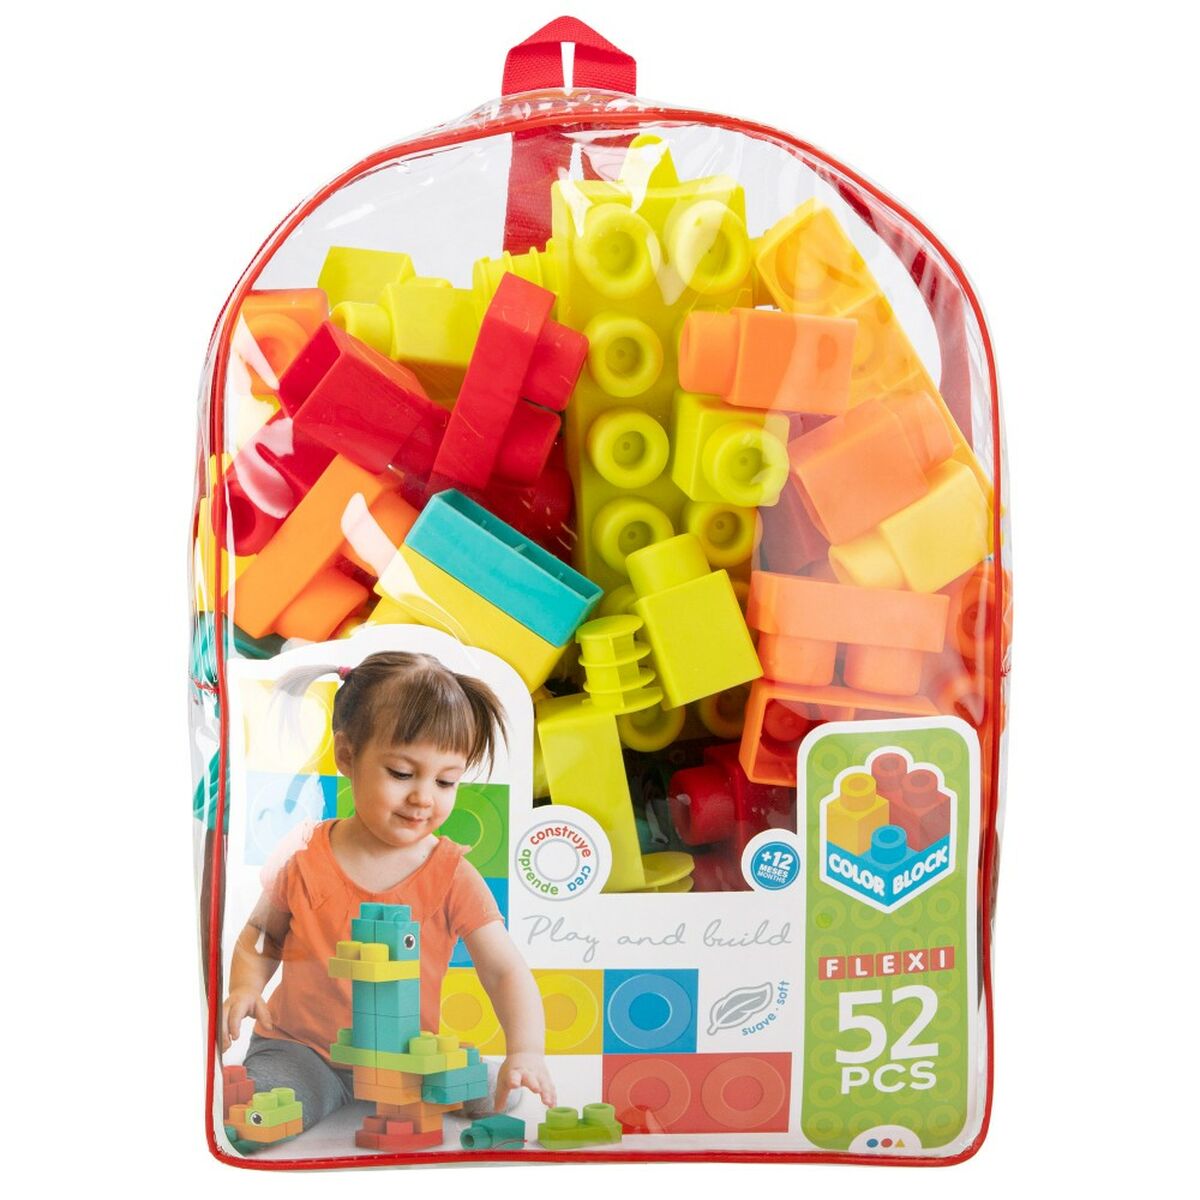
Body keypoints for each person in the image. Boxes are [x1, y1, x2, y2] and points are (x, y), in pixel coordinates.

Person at [221, 651, 554, 1136]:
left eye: (446, 781)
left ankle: (481, 1076)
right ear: (347, 756)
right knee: (263, 1114)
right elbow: (261, 934)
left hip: (406, 1057)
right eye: (401, 773)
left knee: (490, 1093)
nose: (424, 797)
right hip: (303, 1050)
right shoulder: (303, 854)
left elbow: (504, 969)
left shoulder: (451, 874)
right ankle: (284, 1098)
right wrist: (246, 986)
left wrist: (525, 1051)